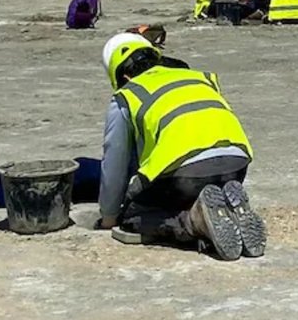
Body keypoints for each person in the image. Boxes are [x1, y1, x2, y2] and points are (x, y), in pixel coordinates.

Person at [98, 32, 264, 261]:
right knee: (200, 185)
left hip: (184, 174)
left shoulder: (127, 94)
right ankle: (229, 210)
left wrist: (110, 216)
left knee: (134, 216)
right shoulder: (197, 77)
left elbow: (114, 163)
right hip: (236, 163)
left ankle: (194, 221)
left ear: (123, 75)